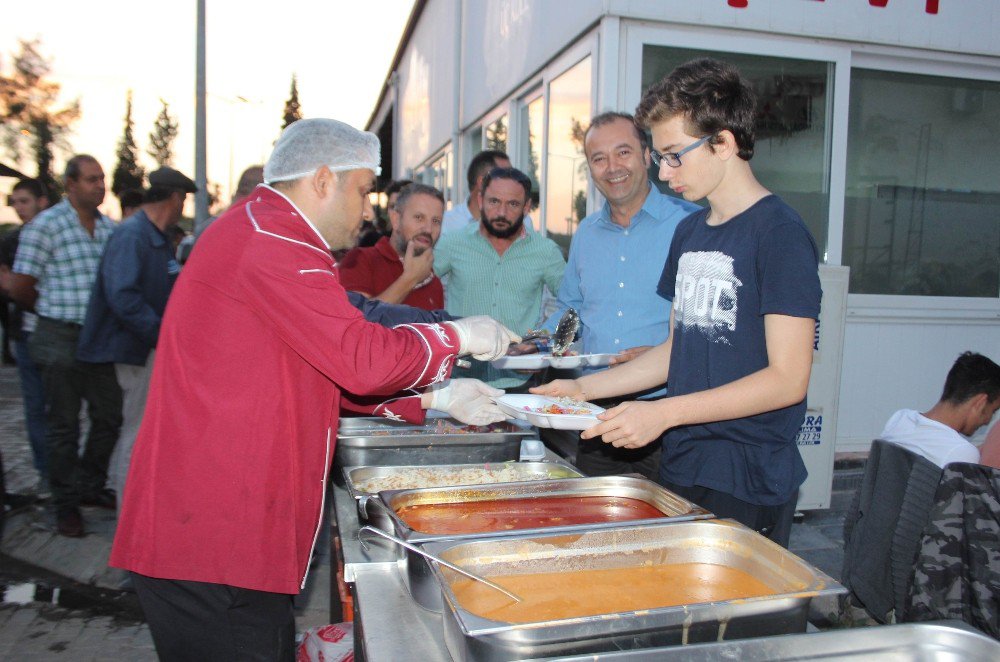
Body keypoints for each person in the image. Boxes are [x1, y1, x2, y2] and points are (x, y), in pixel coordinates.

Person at [109, 118, 517, 661]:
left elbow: (317, 365)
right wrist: (456, 334)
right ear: (323, 180)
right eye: (363, 189)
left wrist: (433, 398)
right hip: (211, 537)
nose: (369, 209)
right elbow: (357, 358)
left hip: (226, 533)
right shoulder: (273, 240)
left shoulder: (266, 230)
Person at [534, 58, 822, 548]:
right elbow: (676, 351)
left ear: (723, 142)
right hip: (684, 460)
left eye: (673, 155)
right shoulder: (690, 231)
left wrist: (664, 413)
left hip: (747, 472)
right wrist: (581, 391)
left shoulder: (780, 234)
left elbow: (788, 379)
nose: (665, 174)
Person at [533, 112, 699, 478]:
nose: (612, 167)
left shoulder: (692, 225)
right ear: (590, 168)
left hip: (670, 411)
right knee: (601, 526)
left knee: (668, 528)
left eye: (623, 152)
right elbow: (571, 310)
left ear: (646, 156)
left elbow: (710, 329)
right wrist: (540, 340)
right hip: (598, 411)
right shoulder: (586, 234)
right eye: (599, 158)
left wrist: (661, 355)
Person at [8, 156, 123, 538]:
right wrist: (52, 313)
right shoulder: (46, 226)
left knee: (109, 416)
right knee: (64, 426)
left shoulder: (108, 228)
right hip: (57, 335)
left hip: (96, 338)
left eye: (102, 179)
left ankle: (89, 484)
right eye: (91, 179)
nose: (99, 186)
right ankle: (66, 505)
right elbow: (22, 286)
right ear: (70, 184)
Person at [77, 167, 198, 511]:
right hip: (130, 352)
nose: (183, 208)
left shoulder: (154, 236)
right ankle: (128, 511)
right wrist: (163, 335)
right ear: (174, 198)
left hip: (142, 348)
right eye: (184, 200)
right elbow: (123, 296)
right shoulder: (133, 236)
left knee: (138, 430)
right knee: (134, 432)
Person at [435, 167, 565, 391]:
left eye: (513, 204)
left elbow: (573, 306)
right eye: (494, 201)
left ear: (526, 207)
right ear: (480, 199)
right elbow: (417, 288)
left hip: (520, 383)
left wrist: (541, 342)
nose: (502, 212)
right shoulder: (453, 244)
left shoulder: (546, 252)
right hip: (459, 379)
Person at [0, 179, 51, 494]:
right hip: (25, 332)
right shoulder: (11, 240)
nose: (19, 208)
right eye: (15, 202)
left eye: (25, 201)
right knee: (35, 406)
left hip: (54, 332)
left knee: (62, 409)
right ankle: (46, 471)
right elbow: (7, 285)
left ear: (41, 202)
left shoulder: (53, 234)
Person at [879, 352, 1000, 469]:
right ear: (980, 403)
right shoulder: (960, 452)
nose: (987, 421)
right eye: (993, 411)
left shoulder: (901, 419)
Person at [338, 182, 445, 309]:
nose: (428, 229)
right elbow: (355, 321)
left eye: (436, 221)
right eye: (419, 217)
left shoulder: (434, 282)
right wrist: (410, 279)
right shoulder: (360, 261)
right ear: (395, 219)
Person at [441, 150, 535, 235]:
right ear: (482, 182)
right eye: (505, 176)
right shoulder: (445, 224)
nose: (512, 181)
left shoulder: (524, 221)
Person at [357, 178, 411, 248]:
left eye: (402, 206)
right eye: (392, 206)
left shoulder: (424, 243)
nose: (396, 213)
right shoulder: (371, 242)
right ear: (387, 210)